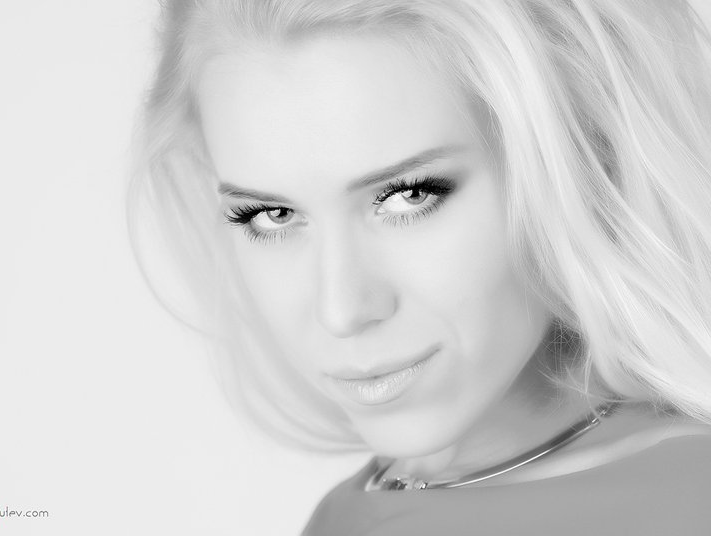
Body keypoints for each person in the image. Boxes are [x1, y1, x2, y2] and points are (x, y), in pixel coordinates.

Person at [126, 0, 711, 533]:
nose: (341, 310)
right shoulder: (349, 515)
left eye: (408, 196)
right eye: (271, 215)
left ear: (579, 158)